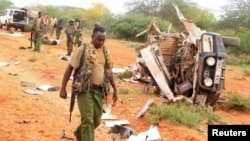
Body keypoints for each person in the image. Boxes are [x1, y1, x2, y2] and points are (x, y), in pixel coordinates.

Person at [59, 26, 118, 141]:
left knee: (96, 120)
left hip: (99, 91)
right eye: (98, 39)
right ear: (92, 37)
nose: (101, 42)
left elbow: (109, 72)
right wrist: (63, 88)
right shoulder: (83, 49)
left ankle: (79, 133)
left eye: (103, 40)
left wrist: (115, 89)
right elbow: (69, 68)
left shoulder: (105, 51)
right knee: (88, 120)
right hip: (84, 89)